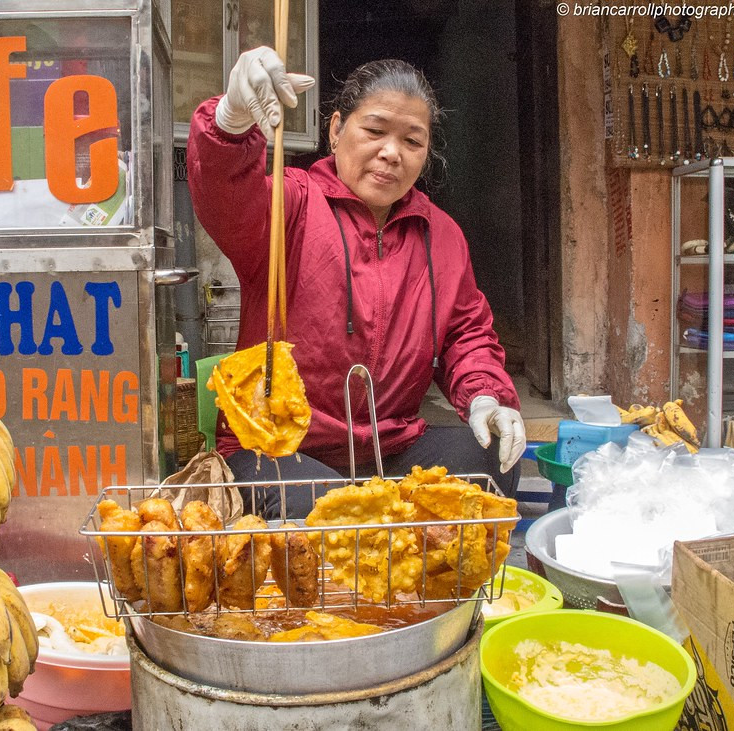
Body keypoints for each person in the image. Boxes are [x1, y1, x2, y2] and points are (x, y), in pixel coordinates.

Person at [187, 47, 526, 518]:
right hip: (281, 452)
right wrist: (229, 123)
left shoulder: (441, 234)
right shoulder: (292, 203)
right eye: (374, 130)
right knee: (328, 514)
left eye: (412, 140)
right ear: (335, 129)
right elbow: (224, 195)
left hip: (391, 451)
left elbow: (465, 334)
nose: (391, 153)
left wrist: (487, 394)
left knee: (490, 461)